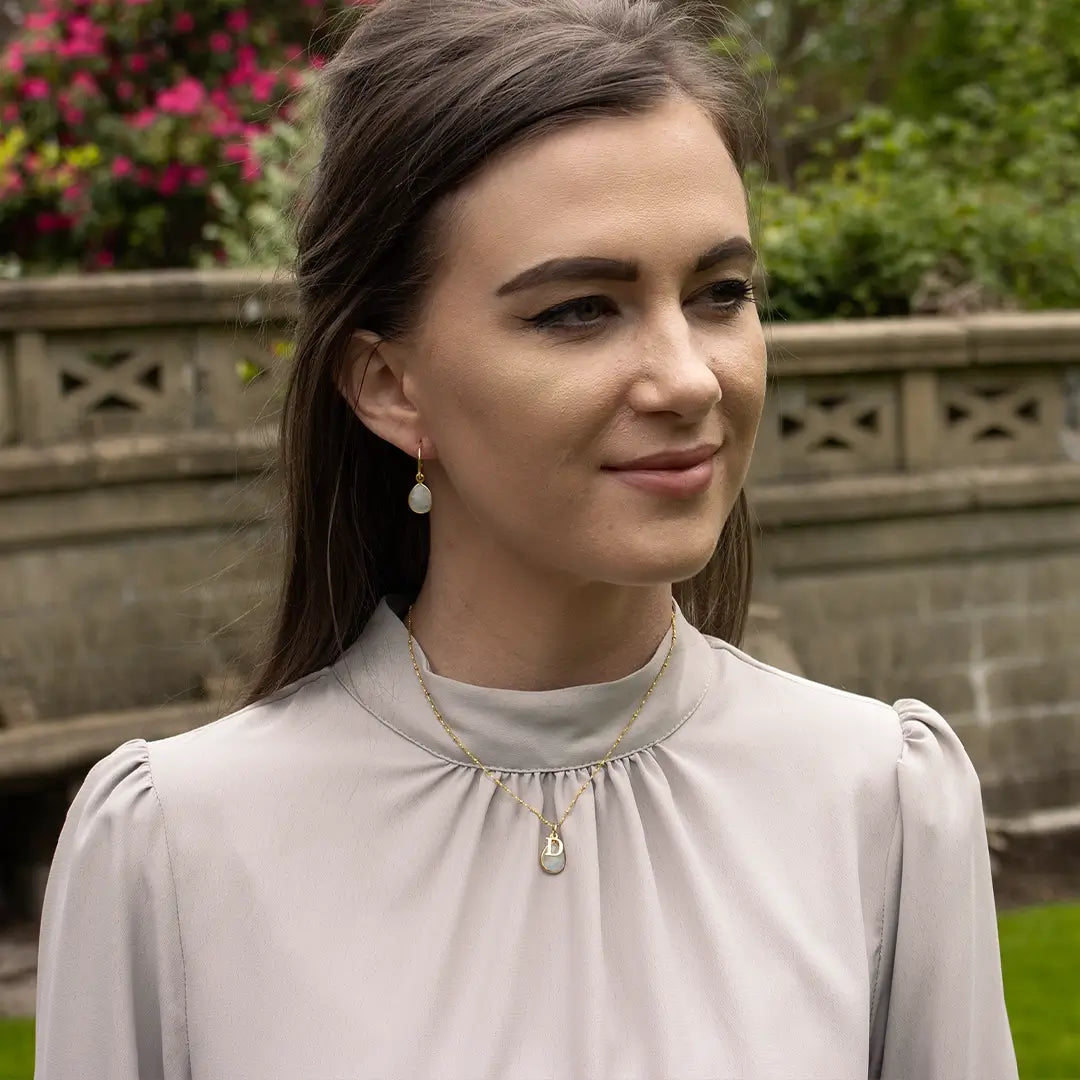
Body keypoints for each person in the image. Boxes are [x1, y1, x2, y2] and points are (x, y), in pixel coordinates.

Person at [33, 0, 1019, 1077]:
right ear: (388, 384)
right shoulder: (172, 850)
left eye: (722, 293)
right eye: (579, 310)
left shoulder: (881, 800)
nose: (691, 378)